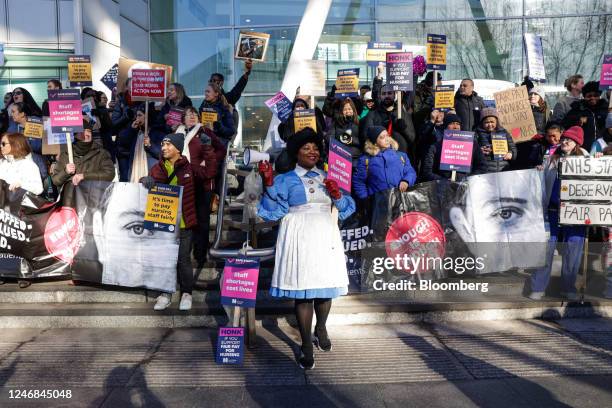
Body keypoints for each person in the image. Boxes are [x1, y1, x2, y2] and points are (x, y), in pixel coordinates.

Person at [257, 128, 355, 370]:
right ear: (296, 153)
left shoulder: (328, 177)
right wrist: (268, 183)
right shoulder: (285, 179)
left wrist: (337, 195)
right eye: (306, 148)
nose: (313, 151)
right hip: (298, 235)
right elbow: (273, 211)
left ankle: (320, 327)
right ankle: (306, 345)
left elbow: (348, 209)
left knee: (324, 289)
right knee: (304, 292)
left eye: (315, 148)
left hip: (325, 233)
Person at [529, 126, 590, 301]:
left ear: (576, 143)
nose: (564, 142)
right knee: (546, 250)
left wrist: (598, 160)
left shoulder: (587, 159)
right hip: (553, 211)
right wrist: (540, 171)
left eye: (568, 140)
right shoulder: (551, 159)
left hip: (575, 214)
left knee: (573, 250)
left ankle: (568, 288)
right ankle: (538, 287)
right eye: (563, 139)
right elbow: (542, 183)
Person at [141, 134, 199, 311]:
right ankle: (165, 293)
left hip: (184, 223)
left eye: (168, 144)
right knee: (165, 260)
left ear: (178, 148)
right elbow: (145, 188)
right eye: (163, 144)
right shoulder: (157, 168)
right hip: (163, 222)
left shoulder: (190, 168)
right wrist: (144, 181)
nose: (164, 148)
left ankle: (187, 293)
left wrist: (209, 149)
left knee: (183, 260)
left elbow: (209, 174)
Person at [171, 106, 224, 266]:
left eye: (194, 114)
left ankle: (200, 254)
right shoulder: (177, 134)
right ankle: (184, 253)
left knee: (202, 219)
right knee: (185, 219)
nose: (192, 116)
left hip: (202, 182)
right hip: (183, 182)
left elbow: (221, 149)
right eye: (188, 114)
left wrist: (207, 161)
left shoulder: (205, 132)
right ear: (183, 119)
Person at [0, 132, 44, 288]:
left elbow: (38, 188)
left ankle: (23, 273)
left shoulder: (29, 165)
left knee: (19, 242)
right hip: (3, 211)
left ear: (15, 144)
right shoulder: (2, 164)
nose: (1, 146)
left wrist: (21, 185)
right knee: (3, 242)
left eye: (4, 143)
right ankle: (3, 272)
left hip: (20, 213)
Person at [363, 66, 416, 159]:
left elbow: (412, 138)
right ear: (380, 96)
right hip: (380, 158)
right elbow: (366, 136)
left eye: (389, 93)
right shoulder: (375, 112)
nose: (387, 96)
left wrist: (404, 129)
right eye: (384, 94)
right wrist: (379, 74)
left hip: (401, 158)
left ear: (395, 95)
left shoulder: (401, 111)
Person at [353, 126, 417, 200]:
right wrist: (366, 199)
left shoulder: (401, 156)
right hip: (379, 205)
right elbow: (359, 182)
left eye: (387, 135)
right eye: (382, 137)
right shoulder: (366, 160)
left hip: (401, 201)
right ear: (375, 142)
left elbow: (410, 172)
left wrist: (406, 181)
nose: (387, 139)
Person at [420, 113, 487, 182]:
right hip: (443, 188)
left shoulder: (472, 145)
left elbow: (482, 166)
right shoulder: (435, 147)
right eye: (451, 123)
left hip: (466, 187)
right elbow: (427, 172)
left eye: (458, 124)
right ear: (445, 127)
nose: (456, 127)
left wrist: (469, 179)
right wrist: (443, 180)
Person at [51, 124, 115, 188]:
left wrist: (84, 176)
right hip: (71, 196)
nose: (87, 134)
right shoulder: (65, 154)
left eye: (89, 131)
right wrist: (66, 172)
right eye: (83, 131)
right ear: (76, 135)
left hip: (94, 195)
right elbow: (55, 181)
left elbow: (109, 174)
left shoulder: (101, 153)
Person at [116, 104, 162, 181]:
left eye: (140, 115)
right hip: (135, 169)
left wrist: (150, 145)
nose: (137, 118)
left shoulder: (158, 133)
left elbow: (161, 154)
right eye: (136, 116)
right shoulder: (136, 131)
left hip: (151, 172)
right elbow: (122, 143)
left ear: (148, 117)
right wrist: (131, 130)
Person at [563, 81, 608, 152]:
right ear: (584, 97)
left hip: (604, 148)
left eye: (596, 95)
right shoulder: (577, 109)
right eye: (589, 96)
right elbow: (565, 124)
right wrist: (577, 120)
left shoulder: (606, 108)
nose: (592, 98)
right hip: (582, 150)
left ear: (599, 96)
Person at [9, 102, 47, 180]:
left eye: (13, 112)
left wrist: (26, 142)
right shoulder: (12, 128)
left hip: (37, 161)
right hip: (19, 164)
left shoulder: (36, 122)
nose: (11, 114)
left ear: (22, 114)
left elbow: (39, 147)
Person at [475, 108, 517, 173]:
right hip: (485, 171)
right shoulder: (477, 133)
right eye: (486, 122)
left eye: (492, 122)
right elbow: (471, 151)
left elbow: (513, 148)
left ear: (496, 122)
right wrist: (479, 151)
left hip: (503, 169)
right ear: (482, 123)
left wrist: (511, 154)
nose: (490, 125)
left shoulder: (504, 132)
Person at [326, 98, 362, 166]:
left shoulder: (359, 123)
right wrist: (339, 141)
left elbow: (363, 141)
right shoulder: (336, 123)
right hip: (340, 157)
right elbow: (329, 137)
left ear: (353, 110)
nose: (348, 111)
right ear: (341, 111)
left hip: (355, 158)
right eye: (345, 109)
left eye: (349, 109)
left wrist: (351, 140)